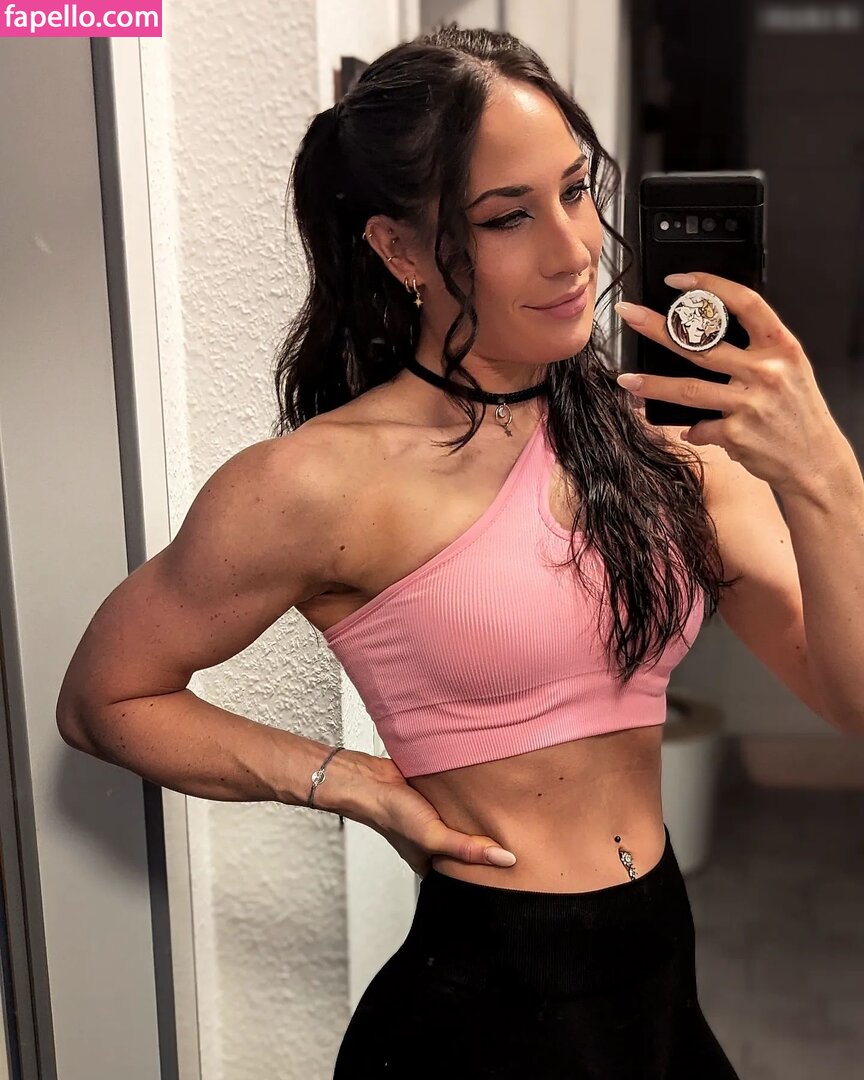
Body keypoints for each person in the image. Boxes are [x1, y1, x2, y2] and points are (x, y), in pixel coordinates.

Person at [58, 22, 803, 1079]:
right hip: (481, 1011)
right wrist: (351, 781)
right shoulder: (315, 483)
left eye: (576, 192)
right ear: (400, 250)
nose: (573, 249)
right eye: (507, 216)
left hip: (656, 974)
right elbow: (105, 697)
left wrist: (824, 469)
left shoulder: (643, 440)